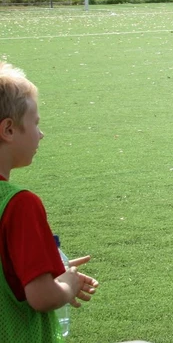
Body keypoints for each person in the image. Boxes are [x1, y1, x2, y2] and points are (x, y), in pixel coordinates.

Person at [0, 63, 99, 342]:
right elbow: (42, 297)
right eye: (36, 123)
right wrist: (67, 283)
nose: (40, 134)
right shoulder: (19, 204)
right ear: (8, 129)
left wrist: (50, 267)